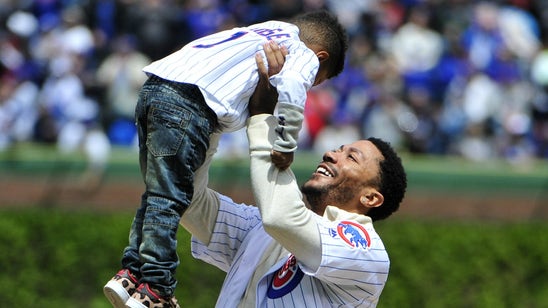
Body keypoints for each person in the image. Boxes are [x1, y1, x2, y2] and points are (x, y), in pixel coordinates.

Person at [103, 10, 348, 308]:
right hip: (190, 104)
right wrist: (286, 141)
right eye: (318, 80)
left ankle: (132, 272)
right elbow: (295, 84)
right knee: (170, 199)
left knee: (158, 195)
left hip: (155, 88)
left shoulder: (266, 30)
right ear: (320, 57)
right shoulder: (302, 52)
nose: (312, 82)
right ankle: (156, 287)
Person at [180, 45, 407, 306]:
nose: (332, 154)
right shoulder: (263, 228)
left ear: (370, 198)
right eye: (339, 149)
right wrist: (218, 111)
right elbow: (189, 200)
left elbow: (282, 217)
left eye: (352, 157)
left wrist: (263, 119)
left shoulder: (365, 252)